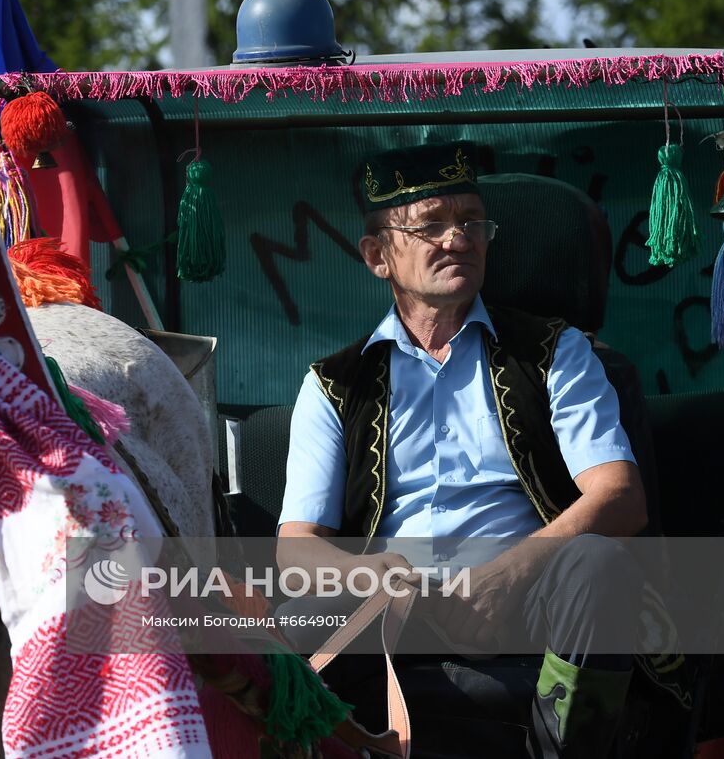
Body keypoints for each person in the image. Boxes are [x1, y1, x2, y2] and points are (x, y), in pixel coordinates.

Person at [277, 142, 648, 759]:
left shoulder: (556, 352)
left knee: (598, 566)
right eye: (431, 226)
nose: (460, 239)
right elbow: (296, 548)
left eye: (473, 223)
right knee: (276, 625)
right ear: (377, 257)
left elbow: (620, 498)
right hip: (395, 606)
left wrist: (508, 573)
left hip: (531, 593)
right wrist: (370, 573)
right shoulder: (334, 384)